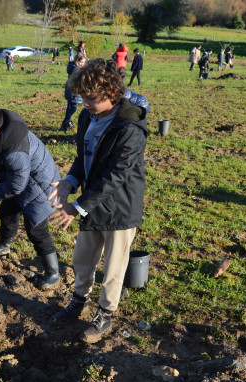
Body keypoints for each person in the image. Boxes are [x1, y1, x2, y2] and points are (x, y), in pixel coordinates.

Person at [47, 58, 147, 343]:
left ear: (111, 93)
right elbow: (84, 157)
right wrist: (70, 181)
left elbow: (115, 176)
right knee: (82, 258)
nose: (84, 104)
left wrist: (76, 207)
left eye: (90, 99)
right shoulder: (86, 118)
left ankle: (105, 313)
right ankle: (79, 300)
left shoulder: (129, 128)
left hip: (120, 207)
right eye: (82, 98)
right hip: (92, 202)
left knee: (114, 267)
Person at [0, 103, 62, 289]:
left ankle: (53, 273)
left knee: (36, 230)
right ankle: (4, 245)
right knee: (7, 212)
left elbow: (17, 184)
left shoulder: (15, 151)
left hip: (41, 189)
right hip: (22, 183)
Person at [59, 52, 88, 131]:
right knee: (72, 108)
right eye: (81, 62)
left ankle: (67, 121)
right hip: (73, 91)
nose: (82, 64)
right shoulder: (77, 70)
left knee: (70, 108)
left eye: (83, 62)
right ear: (76, 61)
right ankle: (65, 123)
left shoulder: (73, 67)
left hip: (71, 90)